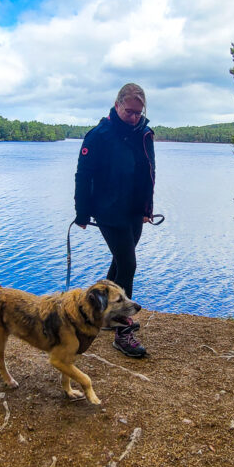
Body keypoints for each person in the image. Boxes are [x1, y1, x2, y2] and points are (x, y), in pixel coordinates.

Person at [74, 83, 155, 358]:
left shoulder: (143, 133)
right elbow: (83, 176)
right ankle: (123, 332)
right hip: (109, 211)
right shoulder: (99, 136)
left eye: (138, 112)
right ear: (117, 105)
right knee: (128, 265)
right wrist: (82, 211)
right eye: (129, 111)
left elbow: (149, 174)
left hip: (134, 211)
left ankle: (98, 315)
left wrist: (147, 208)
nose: (134, 117)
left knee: (119, 263)